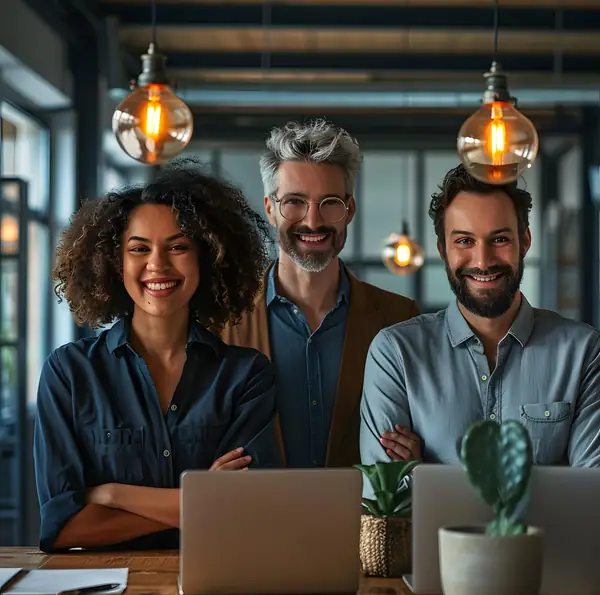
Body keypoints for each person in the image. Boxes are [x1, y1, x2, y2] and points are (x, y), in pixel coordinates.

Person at [35, 160, 279, 552]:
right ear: (115, 263)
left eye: (178, 247)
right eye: (139, 249)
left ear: (207, 258)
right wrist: (198, 500)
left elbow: (244, 509)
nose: (157, 265)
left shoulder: (246, 375)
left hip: (219, 590)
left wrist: (113, 494)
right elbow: (62, 528)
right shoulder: (69, 373)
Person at [360, 163, 600, 472]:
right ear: (443, 249)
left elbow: (591, 495)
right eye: (464, 241)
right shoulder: (395, 353)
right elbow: (386, 499)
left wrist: (424, 474)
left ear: (524, 242)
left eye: (499, 239)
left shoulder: (583, 352)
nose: (483, 261)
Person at [219, 118, 419, 468]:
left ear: (349, 210)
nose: (313, 221)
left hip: (361, 520)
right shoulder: (220, 319)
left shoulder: (401, 319)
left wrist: (420, 456)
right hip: (254, 517)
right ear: (269, 208)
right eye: (294, 202)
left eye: (329, 203)